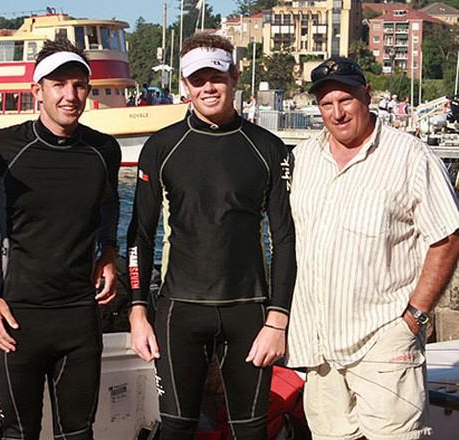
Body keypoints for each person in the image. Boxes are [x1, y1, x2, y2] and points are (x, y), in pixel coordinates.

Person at [127, 33, 296, 440]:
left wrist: (278, 317)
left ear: (235, 76)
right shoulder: (161, 147)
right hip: (179, 310)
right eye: (197, 79)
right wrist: (136, 311)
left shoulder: (268, 148)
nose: (207, 88)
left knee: (251, 430)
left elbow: (286, 238)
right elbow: (140, 235)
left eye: (216, 77)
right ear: (185, 85)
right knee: (176, 428)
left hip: (249, 312)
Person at [287, 57, 459, 440]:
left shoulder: (411, 157)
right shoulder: (303, 159)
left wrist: (415, 317)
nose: (337, 112)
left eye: (345, 100)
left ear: (366, 96)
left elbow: (447, 238)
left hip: (385, 340)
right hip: (320, 349)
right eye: (326, 104)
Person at [0, 38, 121, 440]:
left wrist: (108, 251)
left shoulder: (104, 150)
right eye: (58, 84)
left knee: (78, 433)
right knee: (17, 433)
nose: (71, 95)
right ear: (38, 91)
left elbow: (108, 207)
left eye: (79, 85)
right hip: (18, 318)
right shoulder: (1, 147)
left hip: (78, 320)